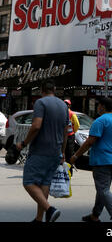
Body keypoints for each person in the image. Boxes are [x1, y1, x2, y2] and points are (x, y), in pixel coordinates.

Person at [16, 79, 69, 223]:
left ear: (42, 90)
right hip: (55, 152)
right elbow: (66, 132)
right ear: (54, 89)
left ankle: (50, 209)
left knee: (29, 182)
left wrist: (24, 142)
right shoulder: (64, 106)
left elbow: (36, 126)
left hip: (40, 151)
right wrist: (63, 152)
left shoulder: (41, 102)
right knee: (44, 184)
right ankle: (39, 219)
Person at [70, 97, 112, 222]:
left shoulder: (100, 121)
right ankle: (95, 215)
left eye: (98, 105)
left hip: (102, 160)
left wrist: (75, 155)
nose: (97, 107)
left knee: (103, 190)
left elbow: (90, 141)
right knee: (103, 190)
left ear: (103, 107)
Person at [64, 99, 80, 167]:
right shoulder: (72, 114)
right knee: (69, 153)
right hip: (70, 136)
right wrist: (73, 131)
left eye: (66, 104)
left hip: (65, 136)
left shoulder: (61, 113)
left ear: (69, 105)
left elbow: (77, 124)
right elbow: (77, 125)